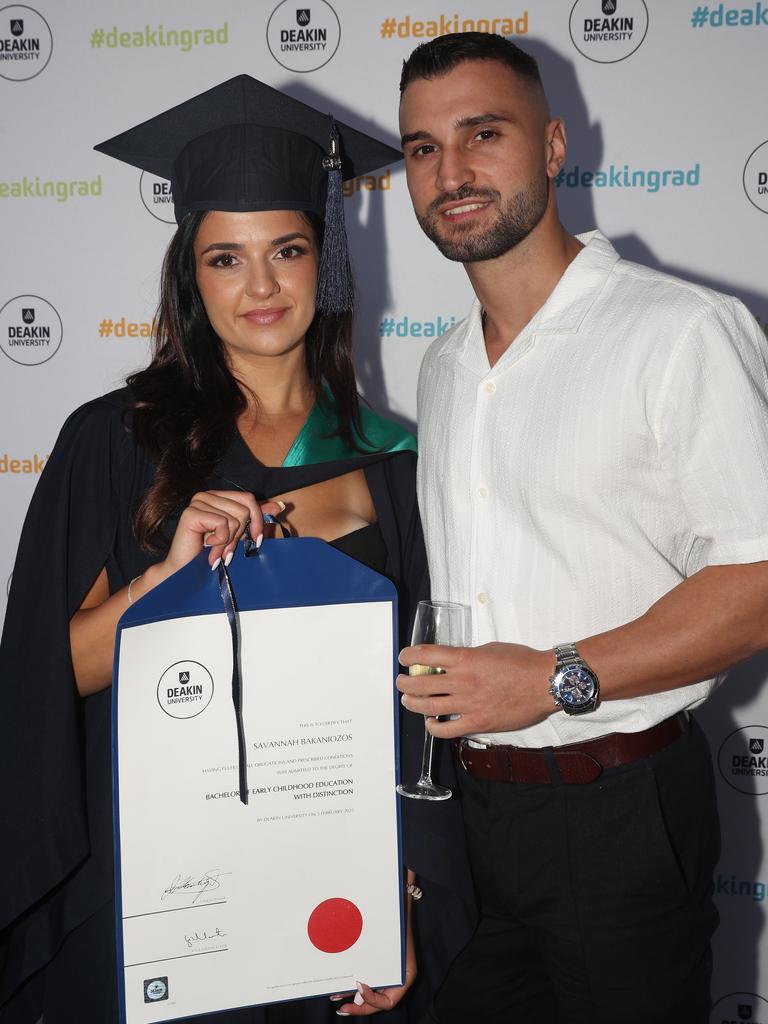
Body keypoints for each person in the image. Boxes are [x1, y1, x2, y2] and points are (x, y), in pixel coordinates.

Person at [0, 75, 474, 1024]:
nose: (260, 286)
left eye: (287, 250)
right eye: (226, 258)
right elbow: (46, 678)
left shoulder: (394, 464)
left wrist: (401, 895)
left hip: (323, 899)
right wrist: (167, 581)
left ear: (325, 263)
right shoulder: (115, 441)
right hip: (152, 892)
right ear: (192, 276)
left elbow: (419, 713)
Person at [395, 31, 768, 1024]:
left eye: (484, 133)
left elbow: (759, 581)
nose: (453, 171)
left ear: (555, 145)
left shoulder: (682, 331)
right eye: (423, 148)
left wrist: (555, 675)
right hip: (469, 818)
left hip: (620, 815)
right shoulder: (439, 367)